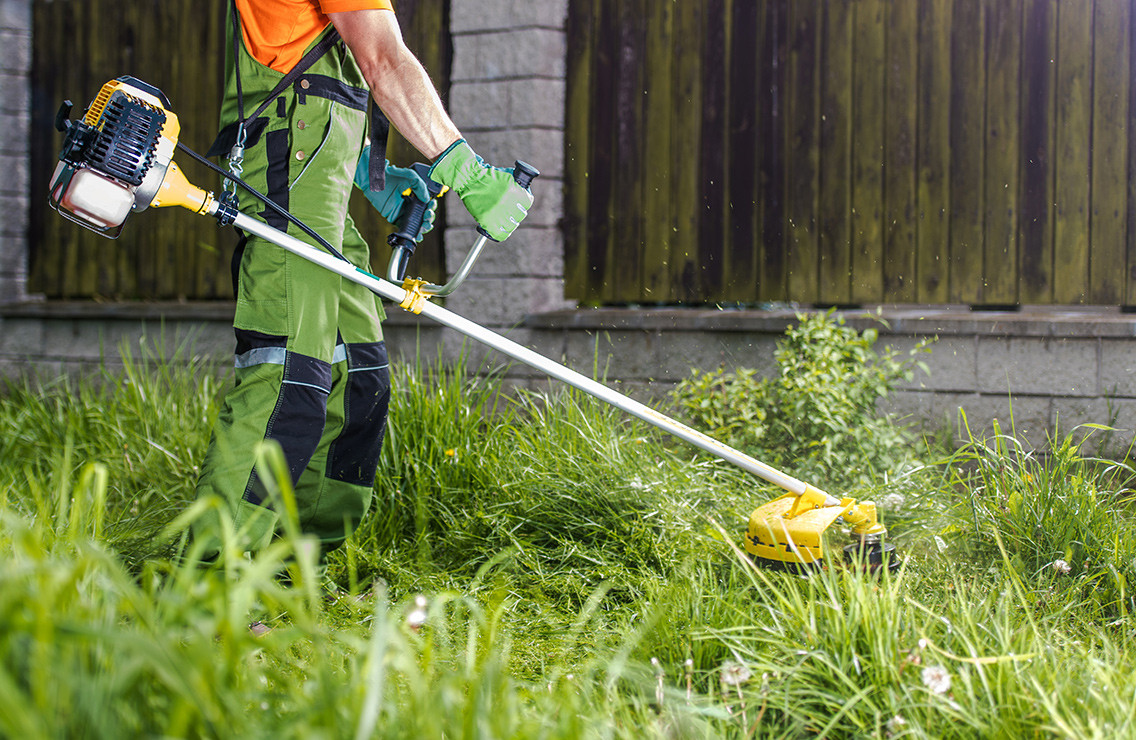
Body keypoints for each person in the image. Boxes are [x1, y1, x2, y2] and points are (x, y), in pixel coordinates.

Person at [192, 0, 533, 558]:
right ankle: (205, 593)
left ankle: (295, 565)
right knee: (288, 376)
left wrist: (367, 173)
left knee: (358, 371)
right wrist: (465, 170)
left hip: (311, 168)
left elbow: (303, 63)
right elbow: (382, 60)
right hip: (292, 159)